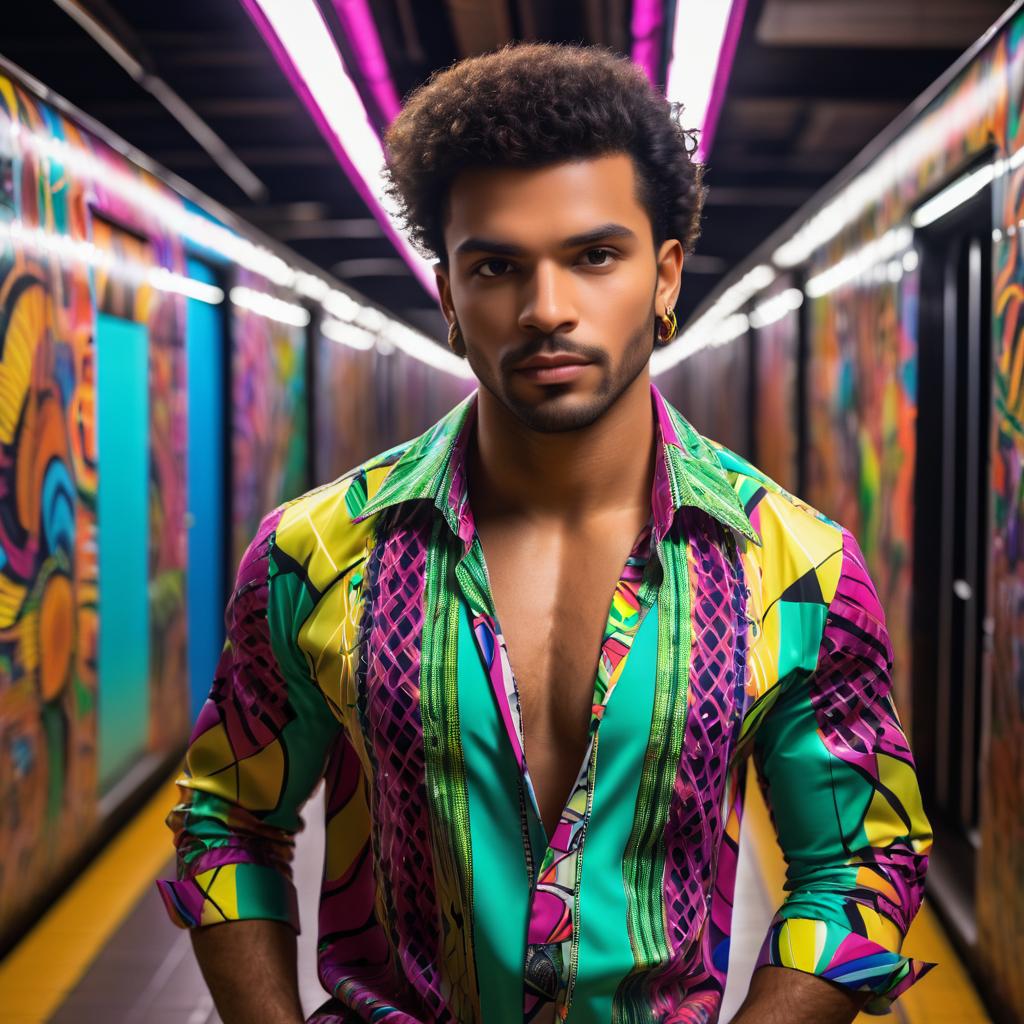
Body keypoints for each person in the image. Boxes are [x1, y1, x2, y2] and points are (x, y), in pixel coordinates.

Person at [156, 41, 933, 1024]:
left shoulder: (795, 569)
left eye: (594, 255)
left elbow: (859, 855)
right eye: (495, 266)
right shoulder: (315, 553)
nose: (546, 308)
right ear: (447, 296)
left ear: (664, 277)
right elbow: (229, 816)